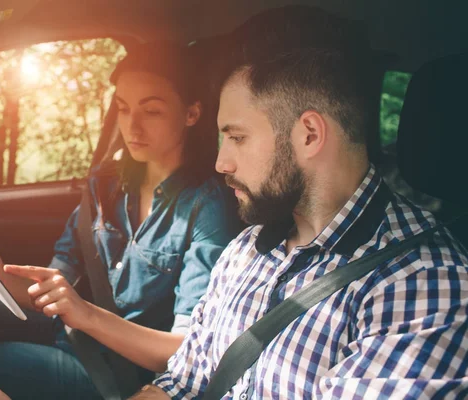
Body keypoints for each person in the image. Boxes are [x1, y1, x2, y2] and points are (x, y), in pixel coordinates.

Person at [129, 7, 468, 400]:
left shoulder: (424, 289)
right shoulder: (244, 251)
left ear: (309, 134)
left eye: (236, 137)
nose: (221, 163)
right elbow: (180, 384)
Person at [0, 42, 241, 400]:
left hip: (113, 369)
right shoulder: (107, 183)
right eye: (122, 108)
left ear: (191, 114)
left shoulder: (208, 207)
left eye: (151, 112)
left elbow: (182, 353)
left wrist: (84, 313)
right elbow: (60, 281)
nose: (132, 126)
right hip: (68, 327)